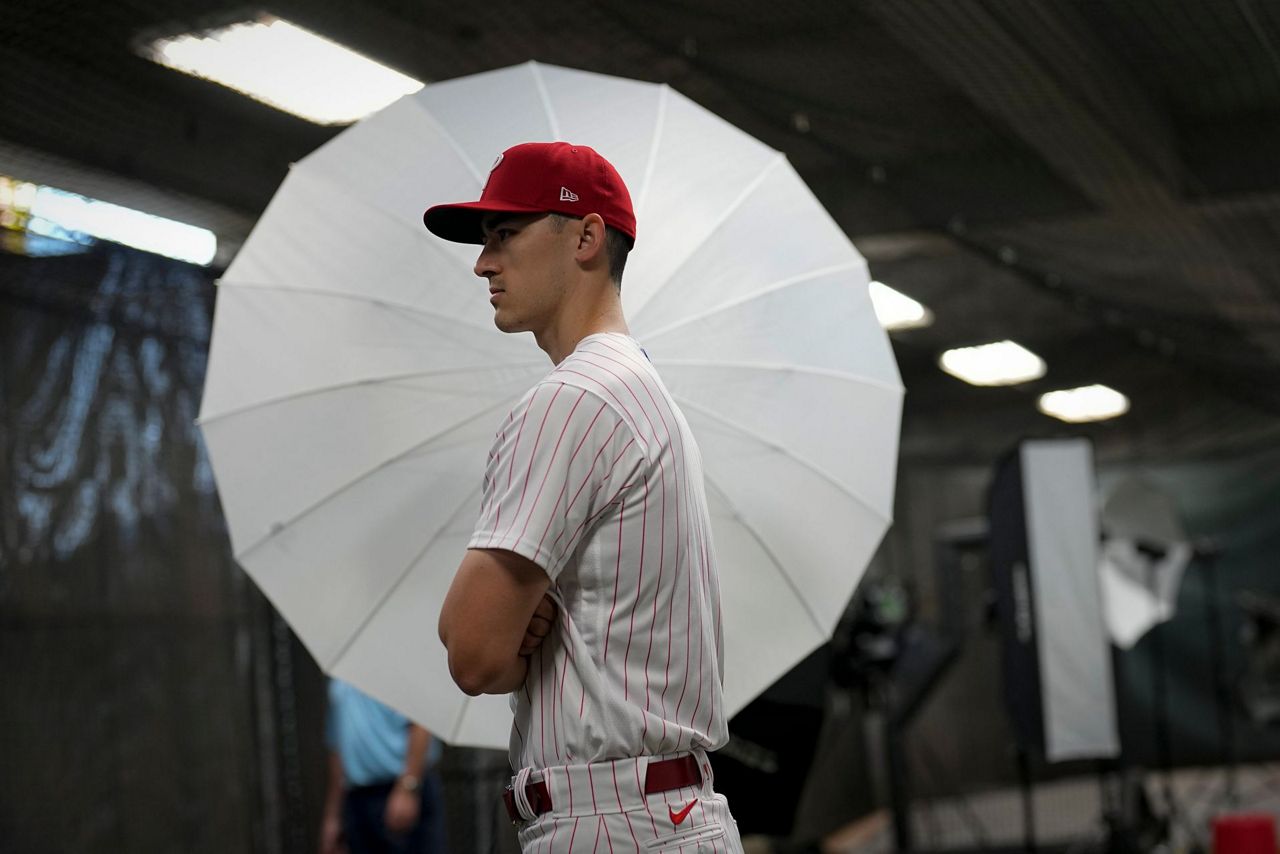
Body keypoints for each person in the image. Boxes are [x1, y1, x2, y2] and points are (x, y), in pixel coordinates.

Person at [427, 141, 744, 854]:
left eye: (505, 234)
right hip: (658, 818)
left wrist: (503, 633)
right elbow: (494, 649)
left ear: (587, 237)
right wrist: (512, 631)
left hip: (612, 826)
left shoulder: (572, 400)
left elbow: (473, 651)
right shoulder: (638, 388)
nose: (483, 262)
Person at [320, 679, 447, 854]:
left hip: (399, 787)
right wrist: (333, 815)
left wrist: (408, 787)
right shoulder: (340, 679)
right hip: (357, 797)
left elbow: (420, 723)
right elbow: (337, 744)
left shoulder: (395, 668)